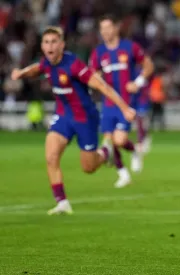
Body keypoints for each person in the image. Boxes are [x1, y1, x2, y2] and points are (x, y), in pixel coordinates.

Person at [10, 26, 135, 215]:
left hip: (85, 119)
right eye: (46, 42)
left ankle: (106, 152)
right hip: (63, 116)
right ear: (43, 46)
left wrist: (125, 108)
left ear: (62, 45)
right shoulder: (46, 63)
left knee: (88, 167)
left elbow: (103, 87)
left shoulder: (74, 65)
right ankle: (62, 202)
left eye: (53, 42)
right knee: (51, 157)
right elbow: (37, 69)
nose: (49, 46)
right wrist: (21, 73)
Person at [90, 14, 155, 188]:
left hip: (126, 103)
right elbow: (92, 74)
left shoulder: (129, 47)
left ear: (116, 28)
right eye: (102, 29)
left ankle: (134, 151)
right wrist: (96, 78)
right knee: (109, 140)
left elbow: (149, 65)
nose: (104, 32)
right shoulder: (98, 53)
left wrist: (138, 82)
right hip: (108, 103)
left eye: (107, 28)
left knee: (119, 141)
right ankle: (123, 174)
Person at [131, 69, 153, 154]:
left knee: (142, 121)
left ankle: (142, 140)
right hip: (135, 100)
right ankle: (141, 141)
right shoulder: (132, 70)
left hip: (143, 101)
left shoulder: (144, 72)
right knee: (138, 122)